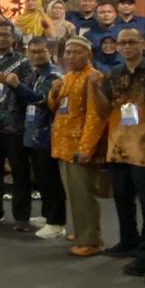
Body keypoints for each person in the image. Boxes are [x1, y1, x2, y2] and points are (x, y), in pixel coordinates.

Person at [97, 28, 145, 275]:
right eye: (122, 43)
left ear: (143, 44)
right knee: (122, 199)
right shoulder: (113, 74)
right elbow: (104, 109)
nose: (126, 47)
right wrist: (95, 89)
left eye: (131, 42)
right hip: (118, 147)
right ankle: (128, 241)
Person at [46, 37, 107, 255]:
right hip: (63, 144)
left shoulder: (93, 78)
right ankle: (82, 231)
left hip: (78, 146)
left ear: (88, 55)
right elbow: (55, 106)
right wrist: (54, 92)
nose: (70, 56)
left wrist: (86, 148)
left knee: (83, 195)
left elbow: (95, 116)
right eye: (68, 52)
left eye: (76, 52)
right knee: (74, 194)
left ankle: (90, 241)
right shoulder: (68, 77)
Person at [0, 20, 33, 230]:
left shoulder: (23, 62)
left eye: (6, 35)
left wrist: (13, 84)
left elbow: (28, 90)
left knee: (20, 172)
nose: (1, 38)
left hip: (14, 125)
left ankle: (22, 217)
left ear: (13, 37)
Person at [16, 36, 64, 238]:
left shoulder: (54, 75)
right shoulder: (35, 73)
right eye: (32, 52)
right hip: (34, 133)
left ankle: (57, 222)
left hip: (48, 134)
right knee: (42, 178)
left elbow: (42, 100)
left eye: (40, 52)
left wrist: (17, 86)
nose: (36, 56)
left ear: (49, 52)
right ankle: (47, 215)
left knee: (51, 179)